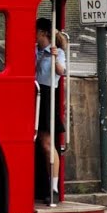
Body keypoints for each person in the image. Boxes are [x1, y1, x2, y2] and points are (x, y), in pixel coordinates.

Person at [35, 18, 67, 201]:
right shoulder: (35, 50)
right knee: (38, 142)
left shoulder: (57, 52)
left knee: (47, 143)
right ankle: (42, 184)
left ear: (42, 33)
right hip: (34, 93)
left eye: (36, 31)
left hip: (47, 96)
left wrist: (54, 58)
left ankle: (53, 187)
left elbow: (61, 72)